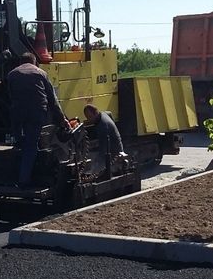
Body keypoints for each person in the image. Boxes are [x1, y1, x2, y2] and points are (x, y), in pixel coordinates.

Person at [7, 52, 68, 187]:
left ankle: (12, 172)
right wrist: (61, 119)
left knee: (19, 142)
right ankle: (24, 180)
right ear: (34, 62)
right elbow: (52, 100)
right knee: (31, 145)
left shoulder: (11, 74)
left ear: (20, 62)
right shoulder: (41, 73)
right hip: (36, 113)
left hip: (17, 112)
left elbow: (10, 96)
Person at [83, 104, 125, 173]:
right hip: (114, 143)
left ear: (96, 113)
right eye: (87, 117)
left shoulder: (103, 126)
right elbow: (110, 113)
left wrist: (94, 166)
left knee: (96, 163)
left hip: (115, 153)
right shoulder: (103, 114)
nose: (89, 119)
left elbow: (103, 150)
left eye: (90, 117)